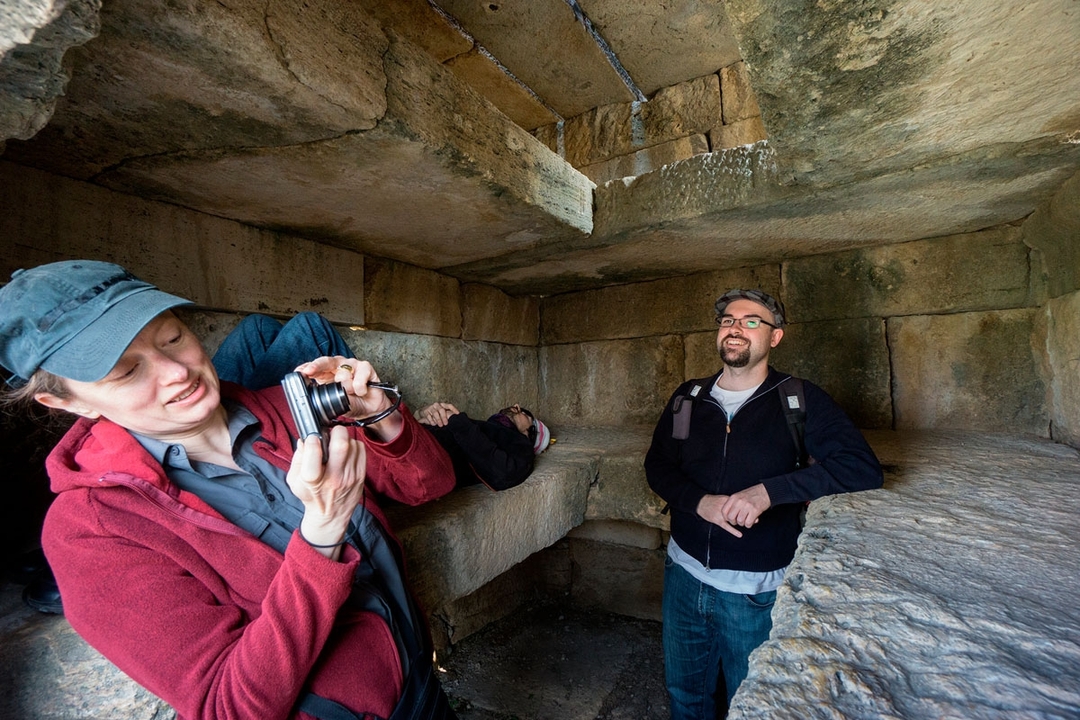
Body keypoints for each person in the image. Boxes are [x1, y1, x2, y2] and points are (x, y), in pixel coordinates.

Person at [0, 260, 459, 720]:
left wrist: (379, 414)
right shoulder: (91, 530)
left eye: (173, 338)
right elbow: (230, 707)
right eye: (125, 371)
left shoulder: (282, 410)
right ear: (64, 401)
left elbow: (431, 483)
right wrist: (322, 534)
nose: (177, 372)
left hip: (417, 678)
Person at [644, 288, 883, 719]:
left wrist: (768, 492)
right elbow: (658, 466)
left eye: (751, 321)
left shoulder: (798, 400)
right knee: (685, 696)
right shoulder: (689, 397)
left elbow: (862, 468)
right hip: (684, 574)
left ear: (775, 337)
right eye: (728, 321)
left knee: (749, 703)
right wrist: (700, 503)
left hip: (755, 592)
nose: (735, 328)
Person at [413, 401, 551, 491]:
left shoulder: (522, 446)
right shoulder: (486, 428)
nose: (516, 406)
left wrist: (455, 420)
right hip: (408, 440)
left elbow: (505, 473)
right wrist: (424, 412)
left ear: (529, 434)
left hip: (415, 462)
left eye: (525, 414)